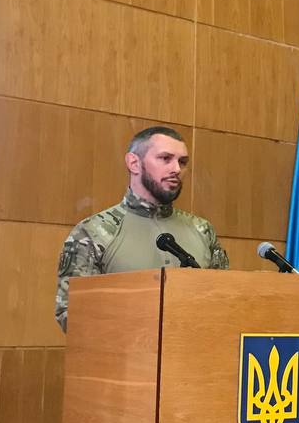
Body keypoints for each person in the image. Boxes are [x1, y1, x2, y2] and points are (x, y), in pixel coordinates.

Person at [55, 126, 229, 330]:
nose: (176, 169)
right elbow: (72, 315)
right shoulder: (94, 232)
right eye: (165, 158)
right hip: (123, 349)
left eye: (182, 162)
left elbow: (225, 302)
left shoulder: (202, 230)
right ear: (134, 163)